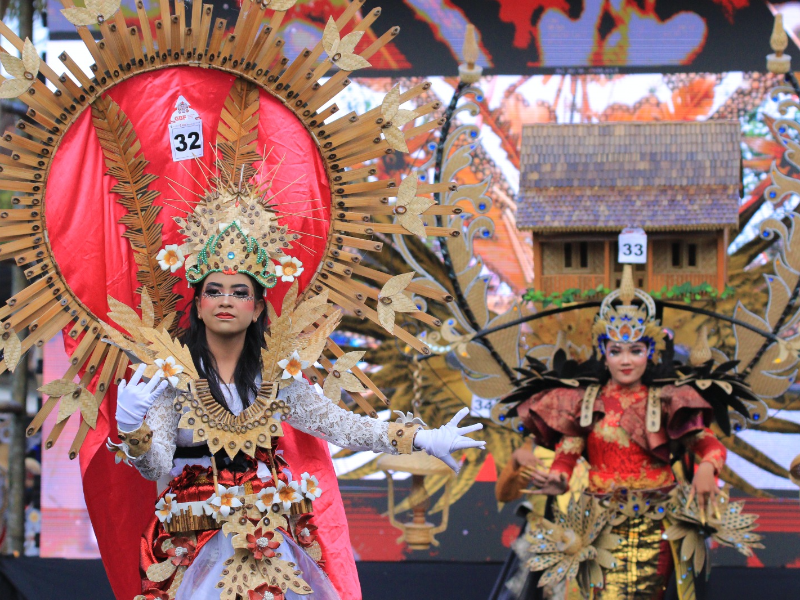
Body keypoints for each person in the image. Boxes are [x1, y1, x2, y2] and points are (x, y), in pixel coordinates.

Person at [111, 222, 486, 599]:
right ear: (199, 305)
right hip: (193, 541)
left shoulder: (277, 375)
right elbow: (155, 467)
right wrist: (133, 431)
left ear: (257, 308)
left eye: (239, 292)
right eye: (214, 292)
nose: (226, 301)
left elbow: (341, 426)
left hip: (266, 538)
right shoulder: (171, 376)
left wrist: (421, 437)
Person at [502, 266, 735, 599]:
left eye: (635, 350)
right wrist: (558, 479)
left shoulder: (669, 401)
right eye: (617, 351)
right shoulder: (584, 402)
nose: (626, 360)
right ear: (604, 353)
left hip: (657, 525)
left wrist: (709, 470)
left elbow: (709, 446)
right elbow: (567, 456)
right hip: (598, 524)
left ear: (649, 353)